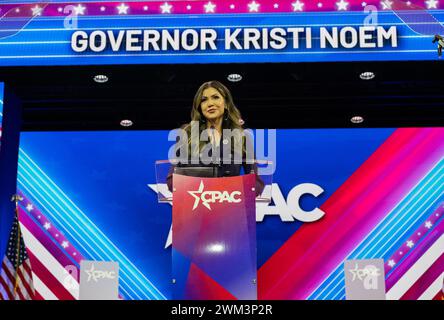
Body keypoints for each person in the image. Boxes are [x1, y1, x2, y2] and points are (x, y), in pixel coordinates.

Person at [167, 80, 264, 194]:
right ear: (199, 107)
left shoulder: (242, 137)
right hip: (196, 205)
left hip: (229, 205)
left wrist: (235, 190)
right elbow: (172, 181)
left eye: (215, 97)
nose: (210, 103)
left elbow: (256, 183)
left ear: (226, 103)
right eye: (204, 100)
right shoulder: (187, 134)